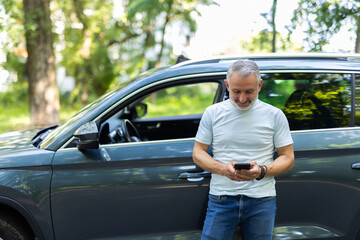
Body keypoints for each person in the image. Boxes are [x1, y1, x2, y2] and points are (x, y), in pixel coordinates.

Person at [193, 60, 295, 240]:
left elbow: (288, 158)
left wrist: (261, 171)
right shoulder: (212, 113)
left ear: (259, 85)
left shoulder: (275, 115)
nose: (242, 98)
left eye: (249, 91)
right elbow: (198, 153)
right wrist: (223, 169)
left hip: (262, 200)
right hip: (221, 199)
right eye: (236, 91)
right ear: (227, 85)